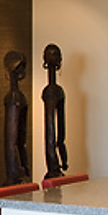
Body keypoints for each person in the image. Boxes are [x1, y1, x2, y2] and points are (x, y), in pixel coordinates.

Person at [3, 50, 32, 182]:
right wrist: (19, 168)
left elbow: (19, 141)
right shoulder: (15, 98)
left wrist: (23, 167)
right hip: (15, 173)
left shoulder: (18, 97)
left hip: (18, 173)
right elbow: (12, 143)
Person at [41, 42, 69, 179]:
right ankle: (54, 167)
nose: (54, 58)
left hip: (56, 170)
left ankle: (56, 167)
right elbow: (50, 136)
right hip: (53, 171)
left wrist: (63, 159)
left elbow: (60, 134)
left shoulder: (57, 91)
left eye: (55, 55)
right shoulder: (51, 92)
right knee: (51, 131)